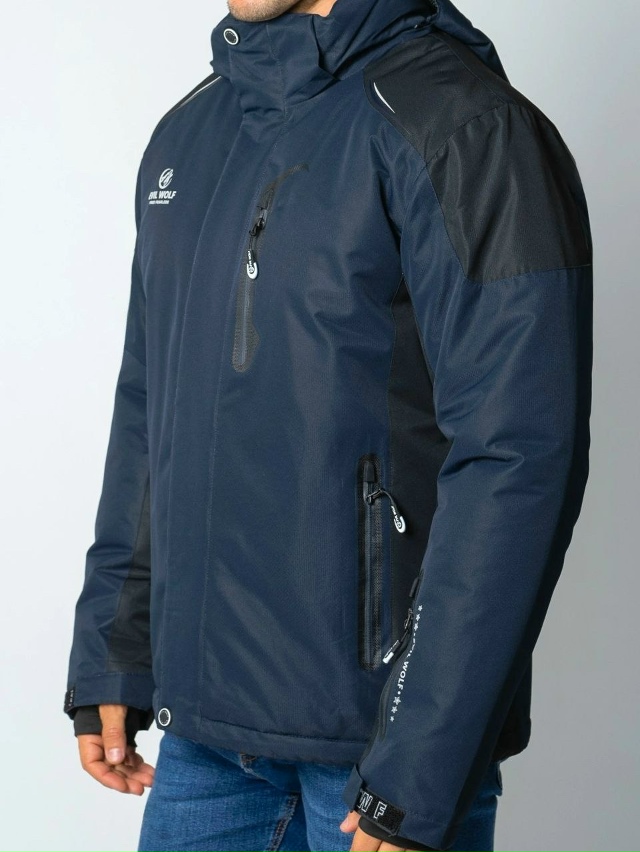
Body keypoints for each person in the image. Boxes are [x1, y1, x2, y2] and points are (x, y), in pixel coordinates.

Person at [63, 0, 593, 849]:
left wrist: (422, 762)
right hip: (203, 743)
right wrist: (114, 647)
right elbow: (149, 405)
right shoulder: (189, 135)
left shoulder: (463, 125)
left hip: (374, 755)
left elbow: (520, 454)